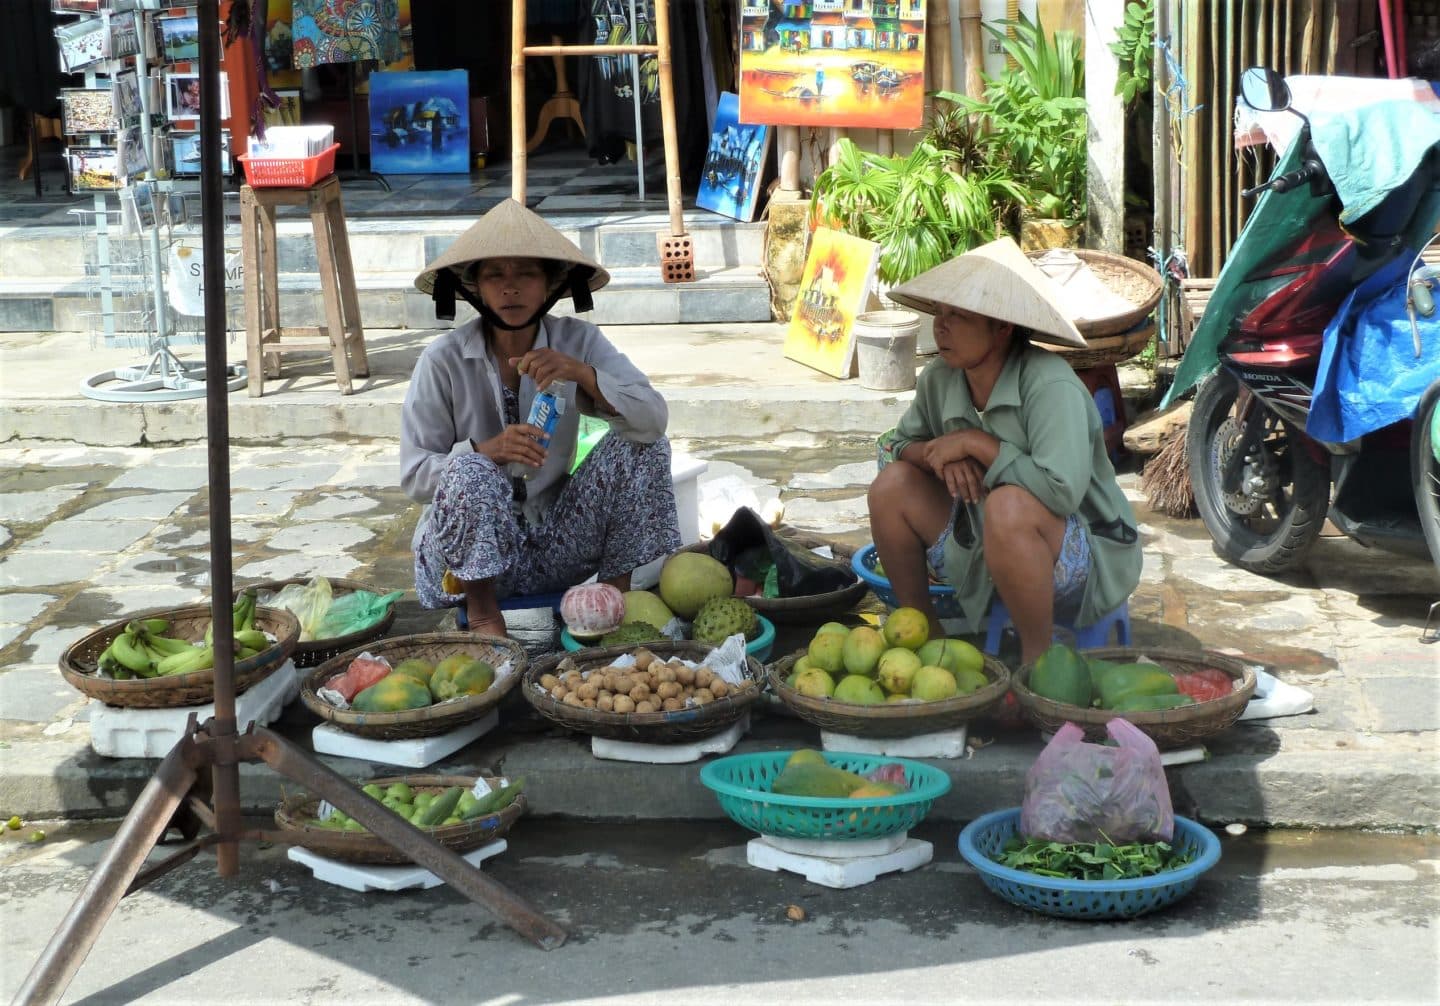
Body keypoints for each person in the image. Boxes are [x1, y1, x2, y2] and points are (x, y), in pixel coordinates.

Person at [403, 199, 681, 637]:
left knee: (643, 445)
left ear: (551, 283)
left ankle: (609, 602)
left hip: (555, 544)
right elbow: (414, 476)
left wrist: (583, 375)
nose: (510, 288)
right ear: (474, 286)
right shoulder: (443, 360)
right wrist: (485, 453)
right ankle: (483, 617)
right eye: (496, 275)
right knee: (470, 468)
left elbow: (653, 418)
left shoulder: (578, 340)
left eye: (526, 274)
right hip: (461, 566)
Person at [869, 237, 1142, 665]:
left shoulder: (1050, 386)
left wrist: (979, 445)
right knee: (891, 486)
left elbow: (1061, 494)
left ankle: (1038, 663)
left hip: (1081, 553)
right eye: (940, 312)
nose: (942, 325)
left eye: (959, 315)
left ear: (1002, 327)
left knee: (1008, 506)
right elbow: (892, 447)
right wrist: (940, 454)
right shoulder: (939, 379)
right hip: (978, 542)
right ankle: (923, 639)